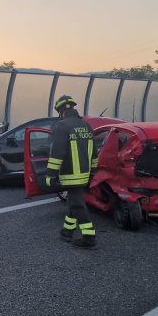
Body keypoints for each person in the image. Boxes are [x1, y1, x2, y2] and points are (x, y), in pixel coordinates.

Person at [45, 95, 98, 249]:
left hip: (70, 175)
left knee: (77, 205)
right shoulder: (86, 126)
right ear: (73, 108)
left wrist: (50, 175)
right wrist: (92, 174)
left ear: (60, 111)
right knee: (74, 202)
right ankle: (67, 232)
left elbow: (57, 154)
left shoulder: (62, 126)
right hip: (85, 174)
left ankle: (89, 238)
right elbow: (94, 154)